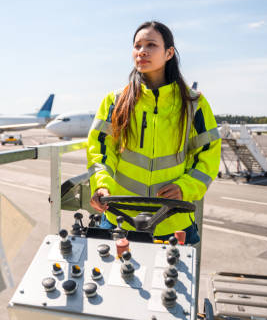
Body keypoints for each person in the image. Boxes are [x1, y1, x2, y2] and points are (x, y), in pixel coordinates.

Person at [87, 21, 221, 244]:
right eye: (137, 46)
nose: (142, 51)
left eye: (151, 45)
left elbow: (208, 154)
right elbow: (100, 151)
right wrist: (101, 184)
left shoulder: (194, 103)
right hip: (121, 216)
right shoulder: (115, 101)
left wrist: (185, 187)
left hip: (173, 221)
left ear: (169, 53)